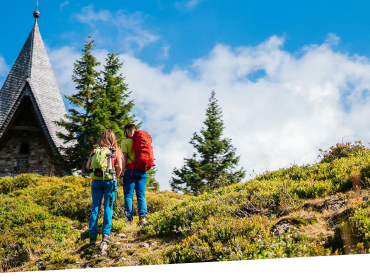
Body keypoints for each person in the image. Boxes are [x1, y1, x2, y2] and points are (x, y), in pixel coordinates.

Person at [86, 130, 122, 244]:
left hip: (96, 182)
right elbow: (120, 167)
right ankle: (106, 234)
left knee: (95, 208)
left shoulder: (95, 150)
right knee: (108, 207)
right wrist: (115, 175)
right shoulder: (115, 151)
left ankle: (92, 236)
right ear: (113, 138)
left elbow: (87, 166)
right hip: (109, 181)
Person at [119, 123, 148, 226]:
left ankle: (129, 220)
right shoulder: (142, 141)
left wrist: (121, 175)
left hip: (130, 172)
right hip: (142, 172)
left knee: (128, 196)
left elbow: (124, 160)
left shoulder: (125, 142)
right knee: (141, 195)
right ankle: (143, 218)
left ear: (127, 131)